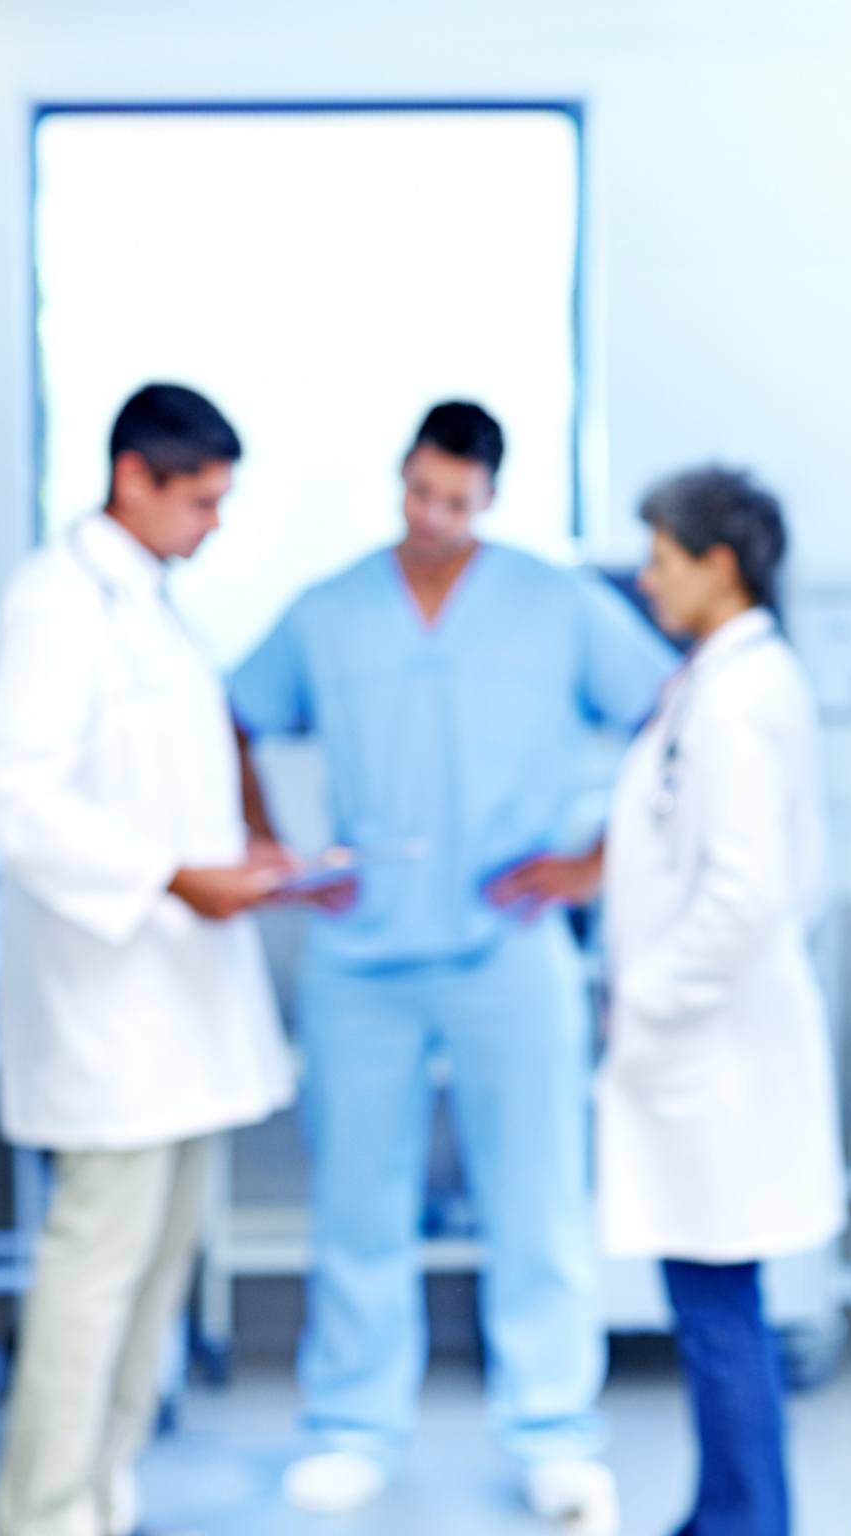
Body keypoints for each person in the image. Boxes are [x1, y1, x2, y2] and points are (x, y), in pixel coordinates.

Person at [229, 401, 676, 1531]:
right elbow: (230, 712)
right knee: (356, 1201)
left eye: (457, 503)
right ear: (402, 478)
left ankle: (554, 1436)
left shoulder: (554, 605)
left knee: (536, 1202)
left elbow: (672, 715)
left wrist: (591, 861)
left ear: (489, 498)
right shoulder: (329, 612)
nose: (433, 518)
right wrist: (267, 847)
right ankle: (351, 1428)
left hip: (509, 949)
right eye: (419, 493)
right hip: (359, 954)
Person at [0, 384, 299, 1536]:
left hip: (180, 1012)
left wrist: (245, 852)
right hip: (111, 1015)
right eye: (201, 501)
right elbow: (17, 798)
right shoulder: (58, 602)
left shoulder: (152, 605)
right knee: (93, 1282)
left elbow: (169, 778)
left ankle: (100, 1501)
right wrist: (173, 875)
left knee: (153, 1281)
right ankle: (46, 1513)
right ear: (135, 480)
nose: (214, 524)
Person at [587, 468, 847, 1536]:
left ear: (719, 565)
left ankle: (743, 1522)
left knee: (717, 1314)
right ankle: (723, 1513)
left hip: (710, 1048)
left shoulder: (740, 694)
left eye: (661, 557)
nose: (645, 579)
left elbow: (745, 896)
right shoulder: (724, 679)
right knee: (710, 1308)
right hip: (705, 1047)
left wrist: (646, 997)